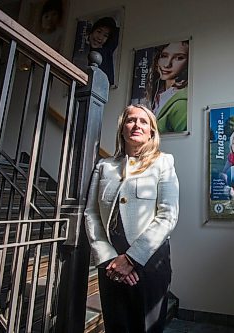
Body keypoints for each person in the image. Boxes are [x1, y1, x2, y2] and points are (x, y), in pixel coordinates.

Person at [84, 104, 179, 333]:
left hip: (149, 264)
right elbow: (91, 213)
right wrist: (109, 259)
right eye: (131, 120)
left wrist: (132, 259)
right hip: (110, 266)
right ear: (122, 129)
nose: (137, 125)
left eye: (143, 121)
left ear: (151, 132)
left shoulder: (163, 163)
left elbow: (168, 215)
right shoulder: (104, 166)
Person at [146, 41, 189, 133]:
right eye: (164, 56)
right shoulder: (155, 91)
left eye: (179, 58)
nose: (167, 64)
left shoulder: (182, 103)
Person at [73, 16, 119, 86]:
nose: (100, 37)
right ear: (91, 32)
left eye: (105, 35)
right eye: (98, 31)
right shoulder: (82, 49)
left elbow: (116, 33)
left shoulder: (107, 50)